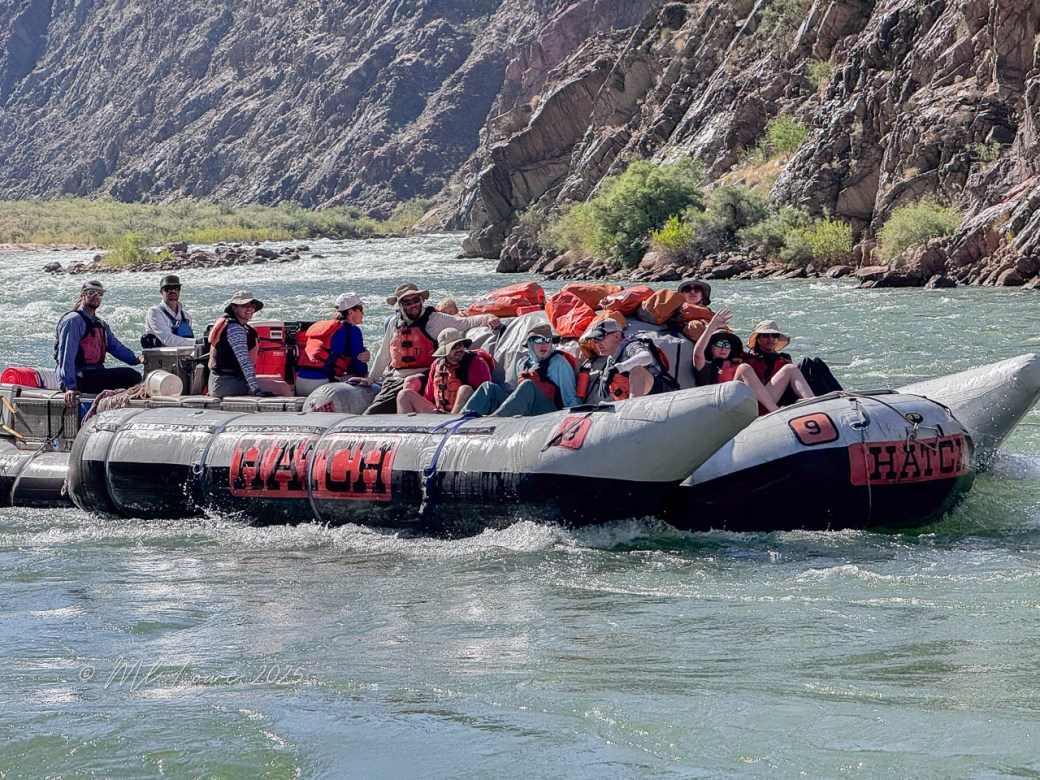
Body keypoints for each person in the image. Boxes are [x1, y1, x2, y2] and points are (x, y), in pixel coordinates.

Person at [364, 283, 501, 414]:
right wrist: (370, 379)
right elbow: (383, 354)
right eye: (407, 302)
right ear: (400, 305)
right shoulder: (394, 323)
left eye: (416, 300)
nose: (413, 304)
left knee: (410, 383)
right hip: (395, 379)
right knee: (371, 413)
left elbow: (466, 322)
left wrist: (489, 317)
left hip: (422, 375)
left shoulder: (435, 319)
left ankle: (412, 420)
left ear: (422, 300)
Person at [692, 310, 809, 414]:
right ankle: (776, 412)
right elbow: (697, 354)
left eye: (727, 345)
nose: (724, 348)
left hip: (757, 403)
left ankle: (813, 403)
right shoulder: (707, 366)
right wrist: (712, 326)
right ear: (710, 347)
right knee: (744, 368)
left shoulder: (739, 359)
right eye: (719, 344)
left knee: (790, 368)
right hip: (729, 408)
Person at [55, 280, 144, 407]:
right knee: (131, 377)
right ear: (82, 296)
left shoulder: (99, 323)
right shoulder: (73, 320)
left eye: (99, 294)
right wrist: (70, 386)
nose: (96, 296)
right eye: (91, 293)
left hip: (95, 372)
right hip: (79, 375)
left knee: (133, 376)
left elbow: (115, 347)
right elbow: (66, 355)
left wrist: (137, 358)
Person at [463, 323, 579, 417]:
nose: (544, 345)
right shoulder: (522, 363)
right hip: (527, 409)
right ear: (530, 343)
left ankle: (496, 419)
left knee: (528, 384)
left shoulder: (559, 363)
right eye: (538, 340)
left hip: (549, 412)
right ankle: (461, 416)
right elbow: (516, 394)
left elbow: (570, 396)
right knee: (488, 387)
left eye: (548, 340)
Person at [396, 329, 493, 414]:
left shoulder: (477, 362)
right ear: (445, 351)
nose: (459, 349)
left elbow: (485, 396)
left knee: (465, 389)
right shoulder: (436, 365)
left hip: (464, 415)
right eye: (454, 346)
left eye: (460, 344)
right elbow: (428, 397)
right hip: (439, 413)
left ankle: (451, 421)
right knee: (404, 395)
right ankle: (407, 431)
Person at [294, 292, 371, 396]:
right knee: (365, 378)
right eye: (361, 309)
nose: (363, 313)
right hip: (321, 386)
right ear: (351, 312)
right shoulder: (353, 331)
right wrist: (367, 369)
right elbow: (360, 368)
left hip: (299, 383)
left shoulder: (325, 327)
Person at [578, 319, 662, 402]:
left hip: (658, 393)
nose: (597, 343)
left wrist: (619, 368)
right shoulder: (610, 358)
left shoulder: (631, 346)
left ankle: (632, 405)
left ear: (617, 336)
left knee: (636, 369)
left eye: (600, 337)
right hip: (635, 399)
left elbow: (646, 357)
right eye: (595, 339)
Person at [742, 319, 815, 410]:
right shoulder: (749, 359)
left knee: (813, 363)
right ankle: (813, 404)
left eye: (774, 335)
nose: (771, 339)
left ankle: (830, 398)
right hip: (762, 402)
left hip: (782, 398)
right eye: (766, 335)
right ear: (758, 338)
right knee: (790, 369)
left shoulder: (784, 358)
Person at [207, 291, 269, 398]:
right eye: (244, 305)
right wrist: (256, 390)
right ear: (234, 308)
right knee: (283, 388)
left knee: (278, 382)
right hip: (225, 384)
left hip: (220, 382)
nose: (249, 309)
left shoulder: (234, 326)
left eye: (252, 305)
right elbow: (244, 361)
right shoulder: (235, 329)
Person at [142, 274, 194, 348]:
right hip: (160, 358)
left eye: (176, 288)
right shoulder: (154, 312)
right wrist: (197, 342)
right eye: (168, 288)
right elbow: (167, 340)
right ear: (161, 292)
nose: (173, 291)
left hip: (184, 357)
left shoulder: (186, 317)